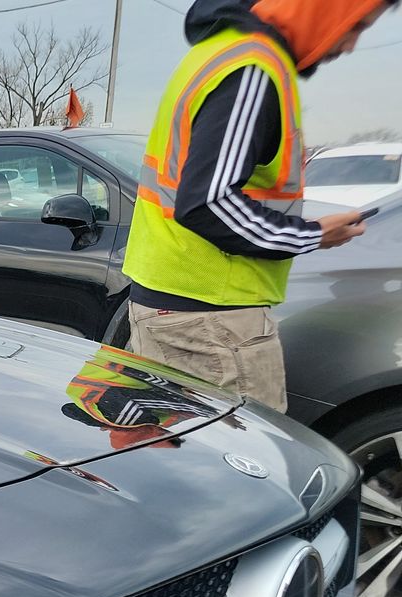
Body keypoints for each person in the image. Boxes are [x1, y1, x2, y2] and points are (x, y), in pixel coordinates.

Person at [124, 0, 396, 412]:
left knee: (182, 465)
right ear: (324, 9)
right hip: (213, 320)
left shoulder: (215, 52)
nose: (352, 45)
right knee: (249, 471)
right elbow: (208, 203)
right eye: (356, 24)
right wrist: (315, 235)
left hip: (174, 304)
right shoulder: (252, 69)